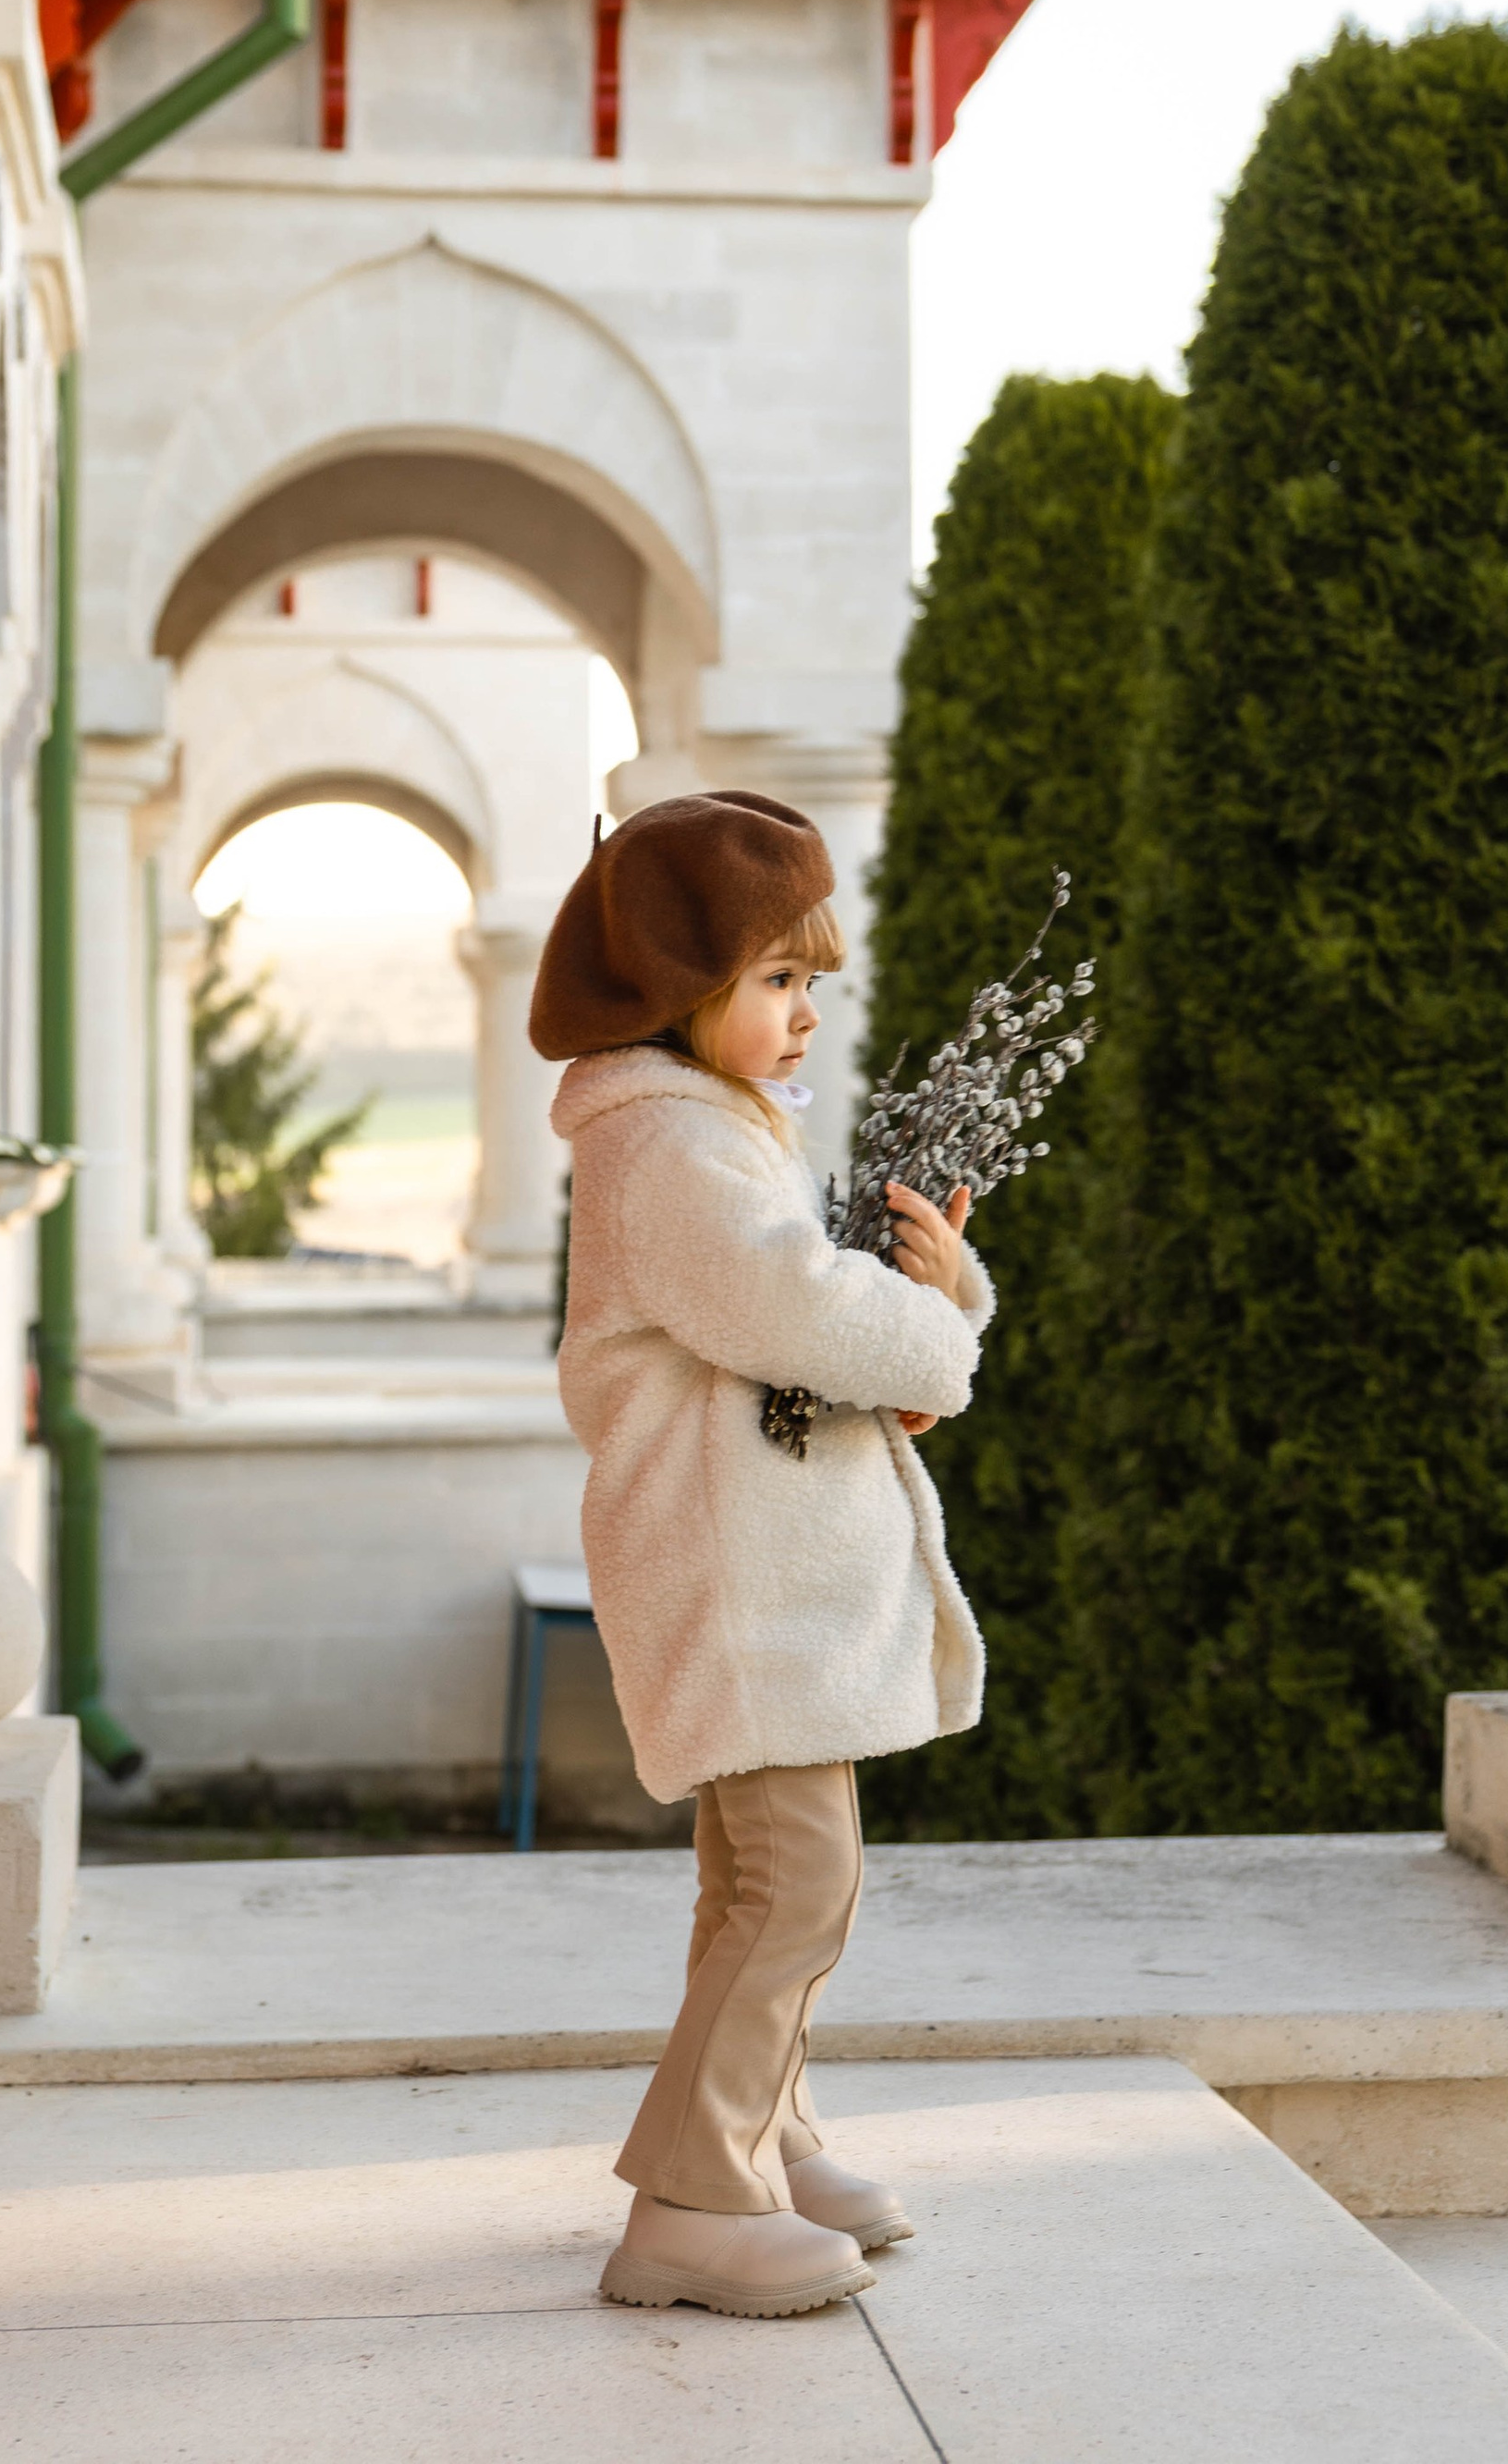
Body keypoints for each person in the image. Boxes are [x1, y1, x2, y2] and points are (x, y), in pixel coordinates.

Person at [533, 789, 989, 2321]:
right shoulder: (665, 1144)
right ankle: (686, 2205)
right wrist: (940, 1328)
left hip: (753, 1566)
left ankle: (765, 2139)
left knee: (759, 1881)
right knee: (800, 1887)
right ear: (680, 987)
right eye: (777, 982)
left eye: (814, 985)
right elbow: (793, 1310)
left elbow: (788, 1344)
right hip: (733, 1579)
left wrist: (932, 1303)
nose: (805, 1018)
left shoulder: (708, 1130)